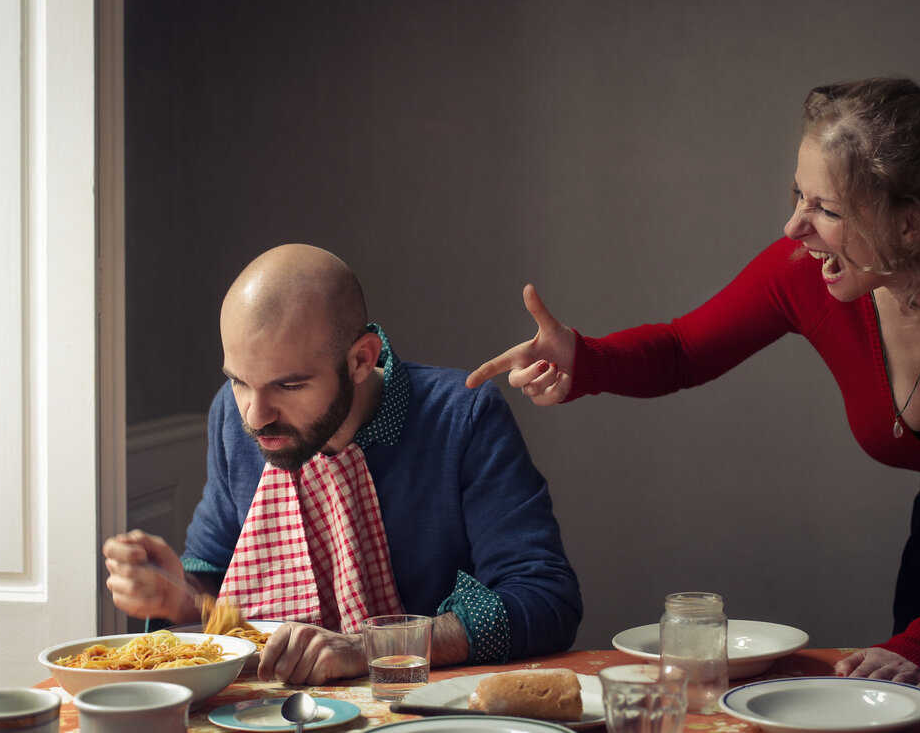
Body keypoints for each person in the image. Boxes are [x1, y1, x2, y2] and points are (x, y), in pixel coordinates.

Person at [467, 77, 920, 733]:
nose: (794, 225)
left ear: (908, 223)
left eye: (825, 207)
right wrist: (585, 359)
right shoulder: (809, 271)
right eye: (797, 194)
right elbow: (685, 348)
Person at [105, 244, 582, 686]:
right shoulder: (232, 416)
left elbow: (544, 600)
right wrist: (176, 593)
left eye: (288, 386)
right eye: (239, 381)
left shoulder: (462, 416)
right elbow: (212, 572)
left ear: (360, 359)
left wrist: (372, 648)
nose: (255, 414)